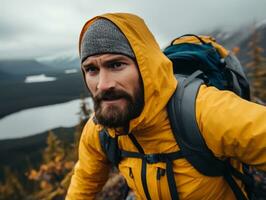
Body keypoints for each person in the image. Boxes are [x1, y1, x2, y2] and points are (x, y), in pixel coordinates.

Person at [66, 13, 266, 199]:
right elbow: (84, 181)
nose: (103, 84)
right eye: (91, 69)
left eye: (116, 65)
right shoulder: (101, 130)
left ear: (145, 68)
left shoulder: (203, 111)